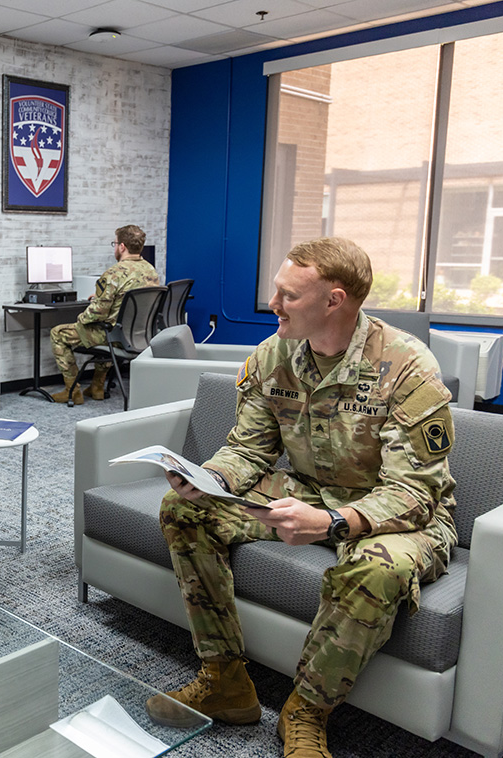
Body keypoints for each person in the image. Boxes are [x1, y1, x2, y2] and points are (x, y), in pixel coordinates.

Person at [147, 237, 457, 758]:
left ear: (334, 301)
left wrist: (332, 521)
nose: (273, 304)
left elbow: (416, 490)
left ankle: (306, 711)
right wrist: (210, 477)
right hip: (309, 488)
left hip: (401, 515)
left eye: (288, 295)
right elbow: (247, 448)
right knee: (185, 509)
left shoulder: (406, 365)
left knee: (378, 568)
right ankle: (224, 678)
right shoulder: (274, 354)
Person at [49, 224, 160, 404]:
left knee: (58, 333)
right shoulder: (150, 271)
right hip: (136, 335)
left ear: (122, 246)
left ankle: (72, 391)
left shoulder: (113, 273)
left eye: (115, 243)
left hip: (112, 335)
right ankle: (97, 387)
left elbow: (97, 313)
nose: (115, 247)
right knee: (108, 327)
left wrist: (81, 319)